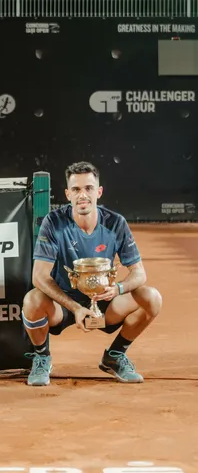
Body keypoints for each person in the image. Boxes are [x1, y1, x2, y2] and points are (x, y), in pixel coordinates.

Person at [22, 161, 162, 386]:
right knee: (32, 300)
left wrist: (117, 289)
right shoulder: (54, 222)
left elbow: (139, 274)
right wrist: (76, 308)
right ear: (68, 194)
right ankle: (42, 357)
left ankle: (115, 356)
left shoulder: (115, 223)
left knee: (151, 298)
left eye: (88, 188)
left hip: (105, 302)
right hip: (64, 305)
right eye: (76, 189)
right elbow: (39, 276)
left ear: (99, 191)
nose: (82, 195)